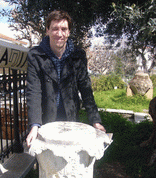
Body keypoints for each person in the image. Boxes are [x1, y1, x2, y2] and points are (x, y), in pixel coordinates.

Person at [26, 10, 106, 147]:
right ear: (47, 30)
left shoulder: (78, 56)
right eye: (55, 29)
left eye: (64, 29)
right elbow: (34, 92)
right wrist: (34, 125)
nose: (59, 33)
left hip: (71, 117)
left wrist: (95, 121)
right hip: (46, 119)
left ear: (68, 32)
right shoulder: (35, 56)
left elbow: (86, 89)